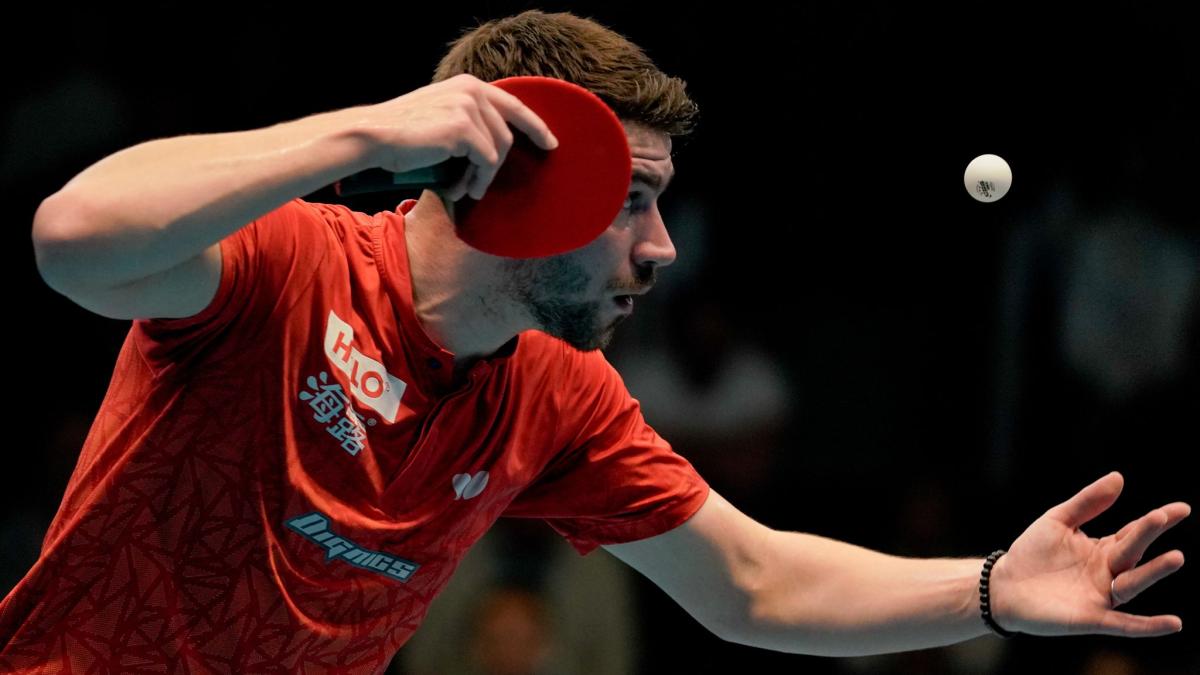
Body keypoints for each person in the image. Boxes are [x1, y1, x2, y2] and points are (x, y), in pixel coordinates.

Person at [4, 9, 1189, 674]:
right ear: (511, 185)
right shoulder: (289, 262)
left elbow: (753, 583)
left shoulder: (557, 397)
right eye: (632, 200)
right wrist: (366, 134)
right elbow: (72, 239)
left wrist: (987, 589)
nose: (662, 248)